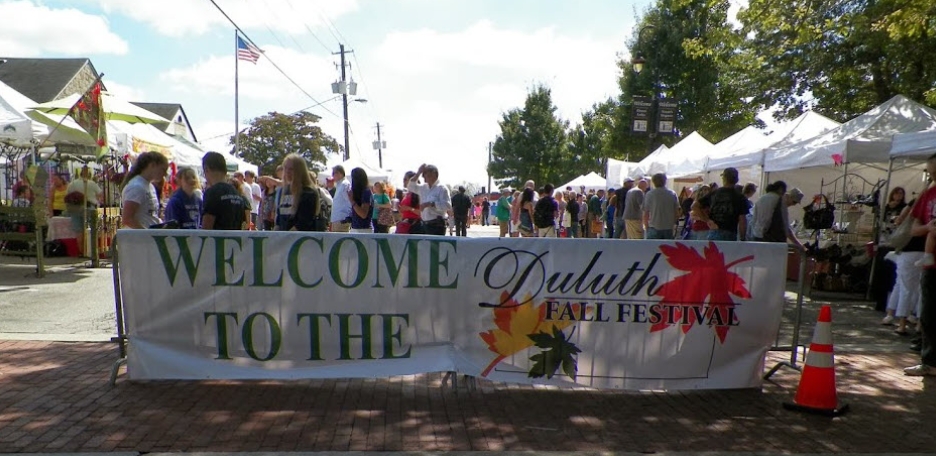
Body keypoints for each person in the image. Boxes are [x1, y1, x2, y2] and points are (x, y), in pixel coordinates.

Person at [904, 152, 936, 376]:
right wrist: (928, 229)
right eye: (931, 172)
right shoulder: (928, 195)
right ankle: (930, 362)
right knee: (930, 314)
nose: (933, 176)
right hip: (932, 267)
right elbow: (913, 228)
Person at [692, 167, 749, 241]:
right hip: (730, 233)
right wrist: (743, 238)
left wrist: (707, 220)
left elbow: (694, 206)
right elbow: (742, 220)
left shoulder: (714, 193)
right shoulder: (740, 197)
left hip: (714, 231)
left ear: (724, 179)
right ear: (737, 180)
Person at [750, 181, 806, 250]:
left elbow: (754, 219)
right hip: (771, 240)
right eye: (794, 202)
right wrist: (799, 245)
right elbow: (786, 228)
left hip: (756, 237)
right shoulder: (779, 201)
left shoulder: (761, 199)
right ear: (788, 196)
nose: (793, 205)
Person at [201, 152, 248, 230]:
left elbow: (206, 228)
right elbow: (244, 224)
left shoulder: (212, 192)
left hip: (217, 240)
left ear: (206, 169)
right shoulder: (237, 192)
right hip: (235, 240)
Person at [121, 152, 169, 229]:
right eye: (163, 170)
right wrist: (146, 234)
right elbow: (127, 219)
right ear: (152, 165)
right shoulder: (136, 187)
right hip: (138, 238)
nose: (165, 174)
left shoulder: (149, 186)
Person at [276, 154, 322, 231]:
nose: (287, 172)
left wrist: (284, 238)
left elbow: (303, 223)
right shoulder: (283, 190)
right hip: (283, 238)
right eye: (285, 168)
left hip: (300, 239)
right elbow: (279, 220)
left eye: (291, 169)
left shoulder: (308, 193)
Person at [407, 164, 452, 236]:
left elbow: (447, 206)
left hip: (437, 225)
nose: (422, 176)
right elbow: (410, 186)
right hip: (424, 224)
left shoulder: (442, 188)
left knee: (435, 247)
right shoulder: (423, 188)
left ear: (433, 174)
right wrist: (418, 172)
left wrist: (431, 204)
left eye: (425, 173)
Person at [643, 173, 680, 239]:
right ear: (665, 181)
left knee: (652, 248)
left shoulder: (650, 194)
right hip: (668, 227)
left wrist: (646, 226)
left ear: (653, 182)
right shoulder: (672, 193)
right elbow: (677, 212)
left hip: (654, 226)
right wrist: (674, 224)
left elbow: (646, 212)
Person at [348, 167, 373, 234]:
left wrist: (352, 201)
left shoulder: (366, 192)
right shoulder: (359, 193)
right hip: (355, 228)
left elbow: (363, 214)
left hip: (364, 230)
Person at [330, 165, 353, 232]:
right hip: (336, 219)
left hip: (342, 219)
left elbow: (350, 201)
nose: (333, 175)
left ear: (340, 173)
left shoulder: (345, 185)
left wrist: (346, 218)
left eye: (334, 173)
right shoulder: (339, 185)